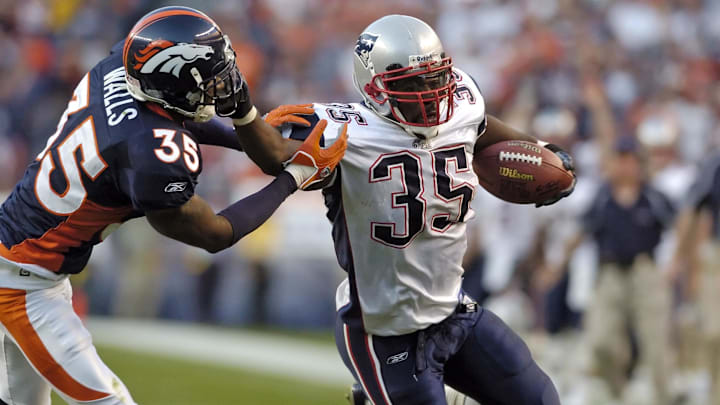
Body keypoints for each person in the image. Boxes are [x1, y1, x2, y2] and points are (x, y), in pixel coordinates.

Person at [0, 6, 346, 405]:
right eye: (210, 78)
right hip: (24, 283)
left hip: (24, 261)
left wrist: (252, 127)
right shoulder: (150, 154)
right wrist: (292, 180)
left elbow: (171, 113)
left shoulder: (119, 67)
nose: (224, 83)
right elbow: (215, 233)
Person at [273, 14, 574, 405]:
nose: (430, 92)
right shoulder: (342, 130)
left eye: (435, 77)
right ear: (374, 86)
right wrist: (243, 121)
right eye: (412, 83)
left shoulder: (461, 102)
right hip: (383, 331)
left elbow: (482, 125)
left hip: (452, 312)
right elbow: (269, 150)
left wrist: (541, 149)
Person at [547, 137, 675, 404]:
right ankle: (618, 390)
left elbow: (680, 227)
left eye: (631, 162)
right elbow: (581, 232)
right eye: (621, 161)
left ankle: (664, 396)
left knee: (656, 341)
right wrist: (558, 265)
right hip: (610, 272)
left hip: (645, 271)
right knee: (602, 340)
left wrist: (677, 265)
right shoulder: (603, 197)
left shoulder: (653, 196)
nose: (626, 167)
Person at [668, 152, 720, 405]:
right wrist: (679, 257)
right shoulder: (716, 161)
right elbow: (692, 208)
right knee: (715, 332)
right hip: (718, 254)